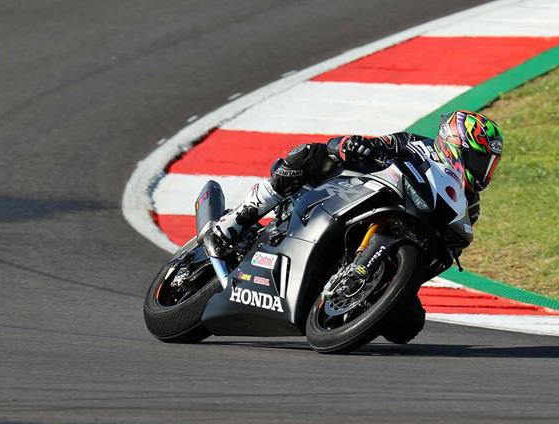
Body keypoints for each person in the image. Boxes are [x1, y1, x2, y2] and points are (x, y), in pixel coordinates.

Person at [207, 109, 504, 343]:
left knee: (408, 326)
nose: (483, 171)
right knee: (311, 153)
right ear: (455, 145)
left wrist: (406, 286)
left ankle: (355, 293)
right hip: (349, 196)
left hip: (396, 244)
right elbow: (378, 143)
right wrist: (356, 146)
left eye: (488, 164)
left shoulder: (469, 205)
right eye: (478, 161)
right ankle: (237, 220)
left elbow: (449, 249)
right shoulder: (417, 145)